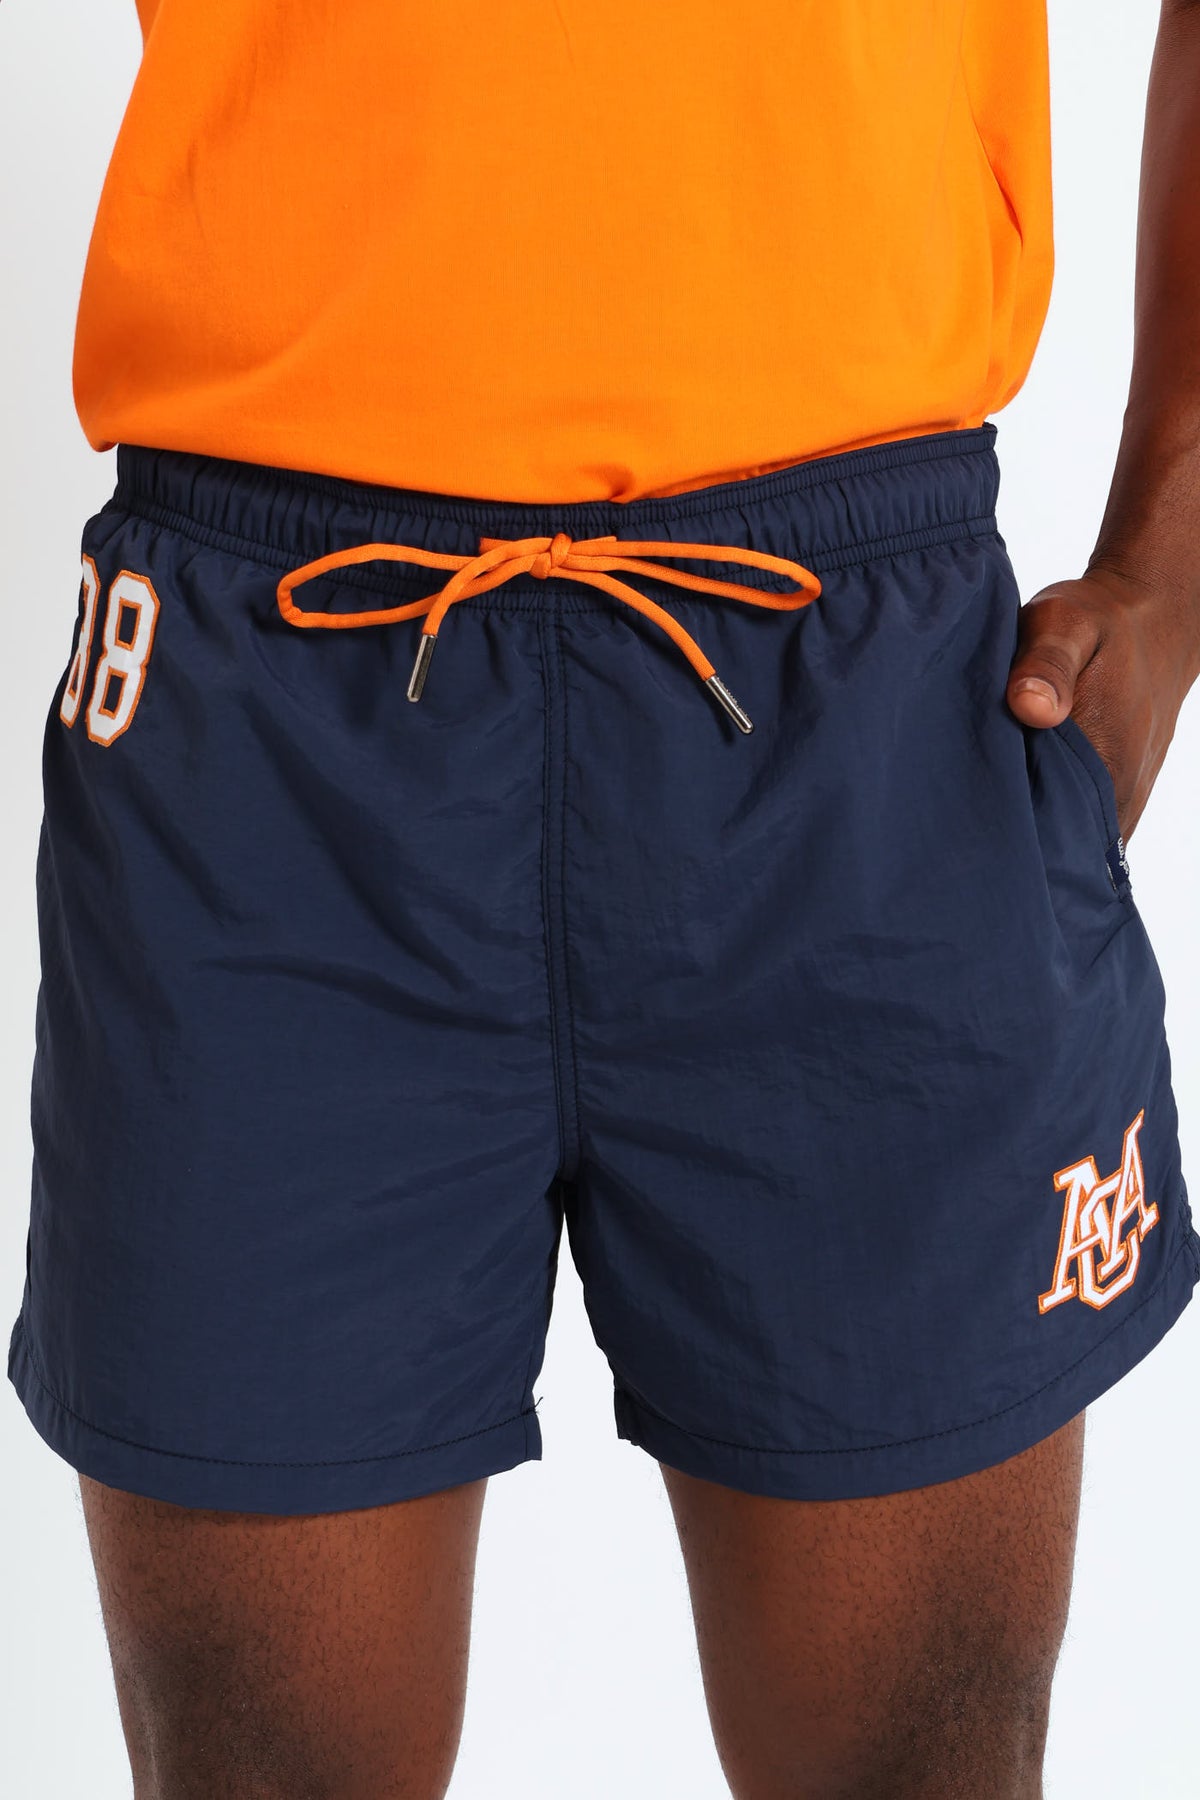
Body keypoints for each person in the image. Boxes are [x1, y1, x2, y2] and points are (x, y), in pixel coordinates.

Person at [7, 2, 1200, 1795]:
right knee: (259, 1764)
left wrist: (1174, 557)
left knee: (924, 1760)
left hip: (859, 675)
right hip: (277, 677)